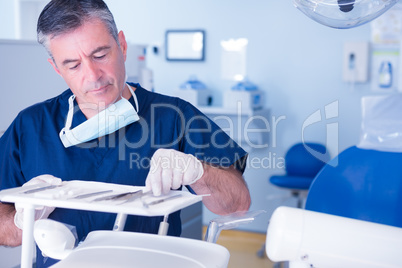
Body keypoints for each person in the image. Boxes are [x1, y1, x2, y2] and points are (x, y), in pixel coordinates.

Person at [0, 0, 251, 266]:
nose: (93, 76)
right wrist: (24, 220)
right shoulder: (30, 127)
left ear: (122, 45)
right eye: (73, 65)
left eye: (100, 55)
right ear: (56, 68)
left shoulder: (174, 116)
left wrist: (199, 172)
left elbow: (237, 205)